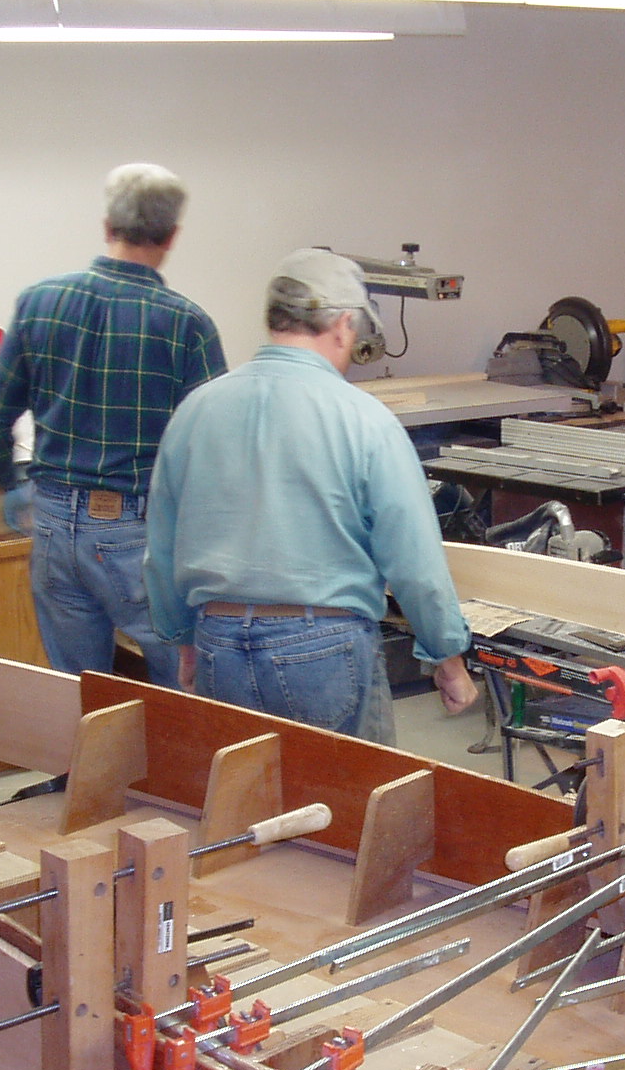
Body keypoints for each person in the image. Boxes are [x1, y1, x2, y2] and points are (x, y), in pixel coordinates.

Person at [143, 248, 478, 744]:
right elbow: (413, 560)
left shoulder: (197, 410)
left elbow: (162, 548)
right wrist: (446, 656)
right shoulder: (364, 419)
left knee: (244, 802)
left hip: (219, 641)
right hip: (323, 646)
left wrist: (184, 644)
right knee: (343, 806)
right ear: (344, 324)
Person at [0, 162, 225, 683]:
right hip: (136, 531)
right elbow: (213, 450)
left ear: (107, 226)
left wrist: (12, 485)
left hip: (50, 522)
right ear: (172, 236)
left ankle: (85, 769)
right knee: (185, 686)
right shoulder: (186, 324)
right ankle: (176, 768)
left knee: (79, 690)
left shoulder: (40, 302)